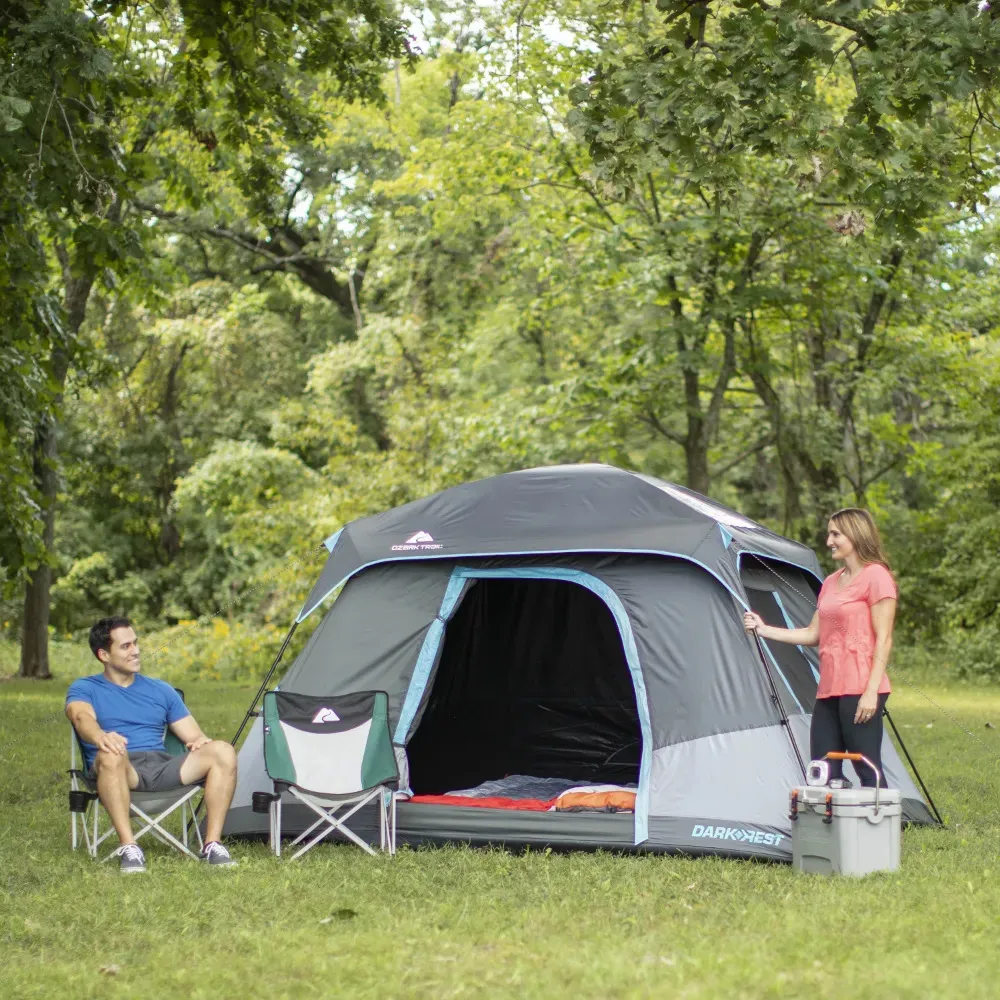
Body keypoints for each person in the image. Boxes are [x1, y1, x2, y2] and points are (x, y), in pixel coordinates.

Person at [66, 616, 239, 873]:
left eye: (135, 643)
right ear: (103, 654)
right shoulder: (85, 688)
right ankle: (130, 847)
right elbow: (81, 718)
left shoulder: (161, 690)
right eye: (125, 646)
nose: (135, 650)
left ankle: (212, 845)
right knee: (112, 753)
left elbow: (194, 736)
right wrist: (102, 737)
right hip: (120, 767)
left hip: (161, 766)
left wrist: (200, 741)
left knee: (223, 750)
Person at [743, 508, 898, 788]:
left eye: (836, 534)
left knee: (866, 766)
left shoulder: (877, 577)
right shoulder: (830, 582)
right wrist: (764, 629)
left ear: (855, 534)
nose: (829, 541)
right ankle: (835, 828)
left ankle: (882, 827)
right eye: (830, 534)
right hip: (829, 688)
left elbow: (884, 638)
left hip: (861, 688)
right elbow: (813, 633)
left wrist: (871, 692)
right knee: (822, 771)